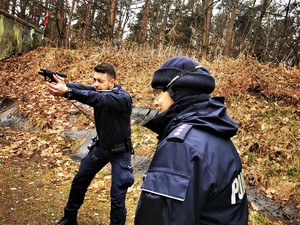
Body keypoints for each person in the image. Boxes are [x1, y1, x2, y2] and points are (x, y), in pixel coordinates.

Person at [134, 56, 248, 225]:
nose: (155, 102)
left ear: (177, 91)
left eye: (158, 91)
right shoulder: (218, 133)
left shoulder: (180, 148)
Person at [47, 63, 134, 225]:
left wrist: (68, 92)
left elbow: (97, 98)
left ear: (112, 83)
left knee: (117, 195)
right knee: (80, 179)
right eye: (94, 79)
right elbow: (82, 88)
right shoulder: (98, 89)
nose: (95, 84)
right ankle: (69, 217)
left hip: (121, 152)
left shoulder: (122, 98)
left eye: (100, 81)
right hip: (101, 148)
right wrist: (62, 84)